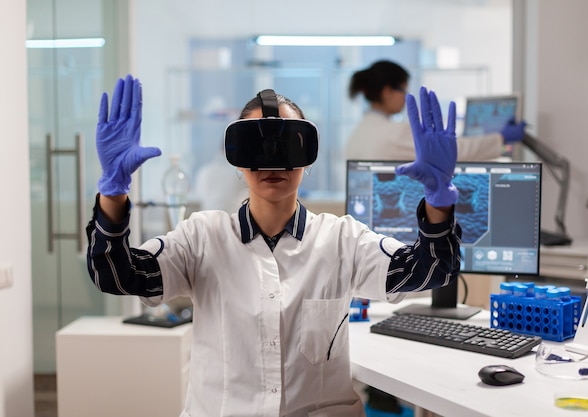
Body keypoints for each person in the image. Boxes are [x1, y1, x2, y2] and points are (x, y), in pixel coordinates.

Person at [86, 74, 462, 417]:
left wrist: (438, 201)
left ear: (307, 157)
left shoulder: (341, 240)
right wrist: (112, 194)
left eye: (288, 146)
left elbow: (427, 269)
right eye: (257, 146)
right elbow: (120, 276)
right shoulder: (201, 238)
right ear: (236, 158)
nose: (272, 162)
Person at [345, 60, 527, 162]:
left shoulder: (359, 132)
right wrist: (501, 138)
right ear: (387, 92)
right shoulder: (394, 134)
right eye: (403, 89)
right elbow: (452, 151)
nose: (406, 96)